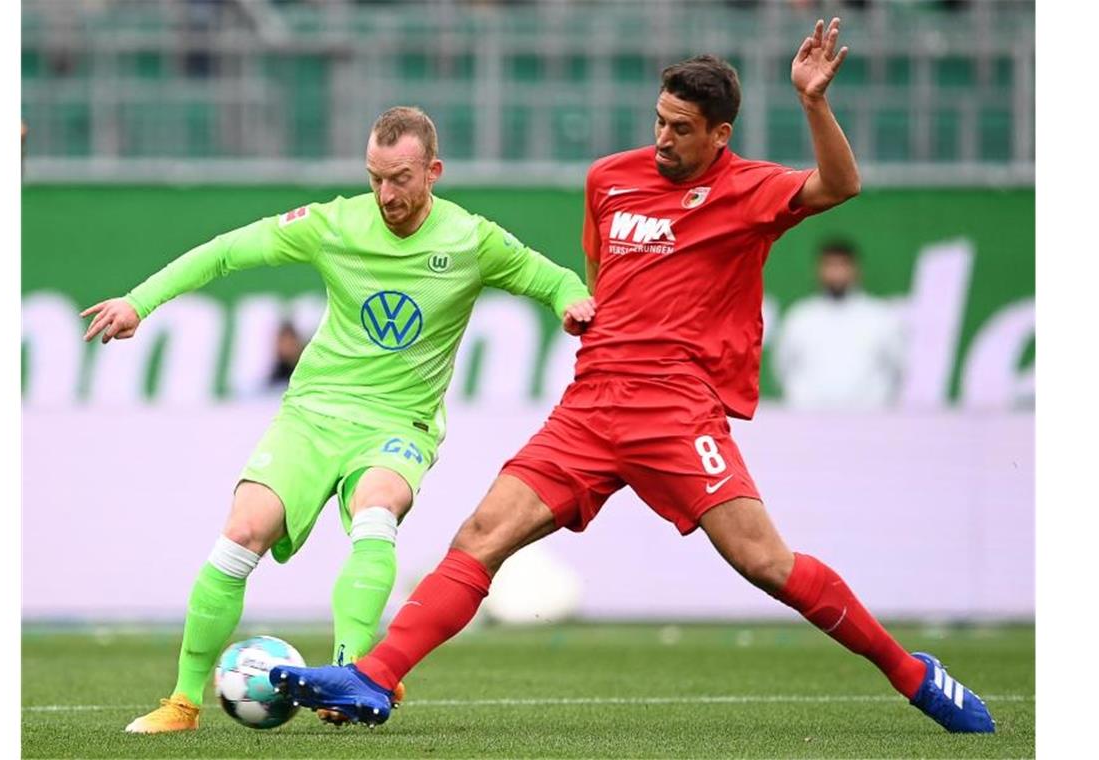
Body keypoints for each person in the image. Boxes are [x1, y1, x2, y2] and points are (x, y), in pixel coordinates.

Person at [272, 19, 995, 734]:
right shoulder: (609, 181)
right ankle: (374, 678)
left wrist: (812, 102)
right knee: (480, 535)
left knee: (765, 562)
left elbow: (841, 184)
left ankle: (913, 674)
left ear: (720, 134)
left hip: (677, 415)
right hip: (590, 408)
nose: (663, 138)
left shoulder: (748, 191)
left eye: (682, 127)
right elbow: (602, 276)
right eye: (659, 120)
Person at [81, 106, 595, 734]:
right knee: (244, 532)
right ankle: (183, 704)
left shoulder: (471, 240)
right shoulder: (333, 224)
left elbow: (554, 277)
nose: (386, 194)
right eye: (375, 177)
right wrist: (139, 302)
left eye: (400, 178)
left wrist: (571, 302)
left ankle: (351, 678)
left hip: (400, 422)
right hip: (314, 412)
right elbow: (225, 253)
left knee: (377, 510)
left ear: (433, 171)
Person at [773, 239, 906, 409]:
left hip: (868, 422)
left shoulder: (880, 316)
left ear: (855, 270)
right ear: (819, 270)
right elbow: (783, 367)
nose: (836, 273)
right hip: (808, 422)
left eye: (842, 265)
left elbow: (897, 368)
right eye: (830, 266)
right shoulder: (800, 316)